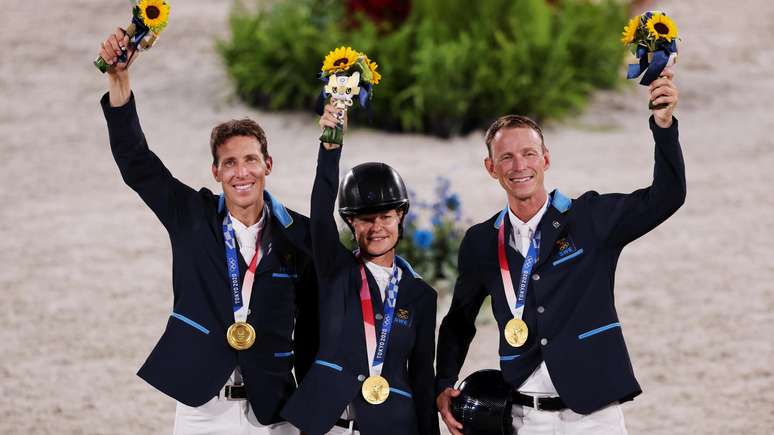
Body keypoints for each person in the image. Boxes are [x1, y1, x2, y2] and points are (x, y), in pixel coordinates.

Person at [435, 68, 685, 434]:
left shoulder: (591, 218)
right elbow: (459, 320)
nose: (519, 166)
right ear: (491, 168)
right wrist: (444, 381)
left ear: (545, 160)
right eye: (506, 158)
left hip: (595, 416)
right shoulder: (480, 241)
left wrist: (663, 126)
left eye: (528, 154)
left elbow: (667, 196)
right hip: (523, 418)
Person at [97, 28, 318, 434]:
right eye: (229, 163)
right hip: (203, 409)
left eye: (251, 160)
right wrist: (119, 81)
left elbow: (314, 326)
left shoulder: (300, 235)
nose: (241, 172)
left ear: (269, 165)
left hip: (273, 409)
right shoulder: (191, 217)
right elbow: (136, 162)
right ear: (216, 172)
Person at [280, 105, 440, 435]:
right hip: (330, 426)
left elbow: (423, 377)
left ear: (400, 216)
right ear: (351, 222)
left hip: (392, 426)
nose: (377, 227)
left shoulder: (421, 295)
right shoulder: (335, 270)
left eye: (386, 216)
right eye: (366, 218)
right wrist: (330, 147)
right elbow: (320, 214)